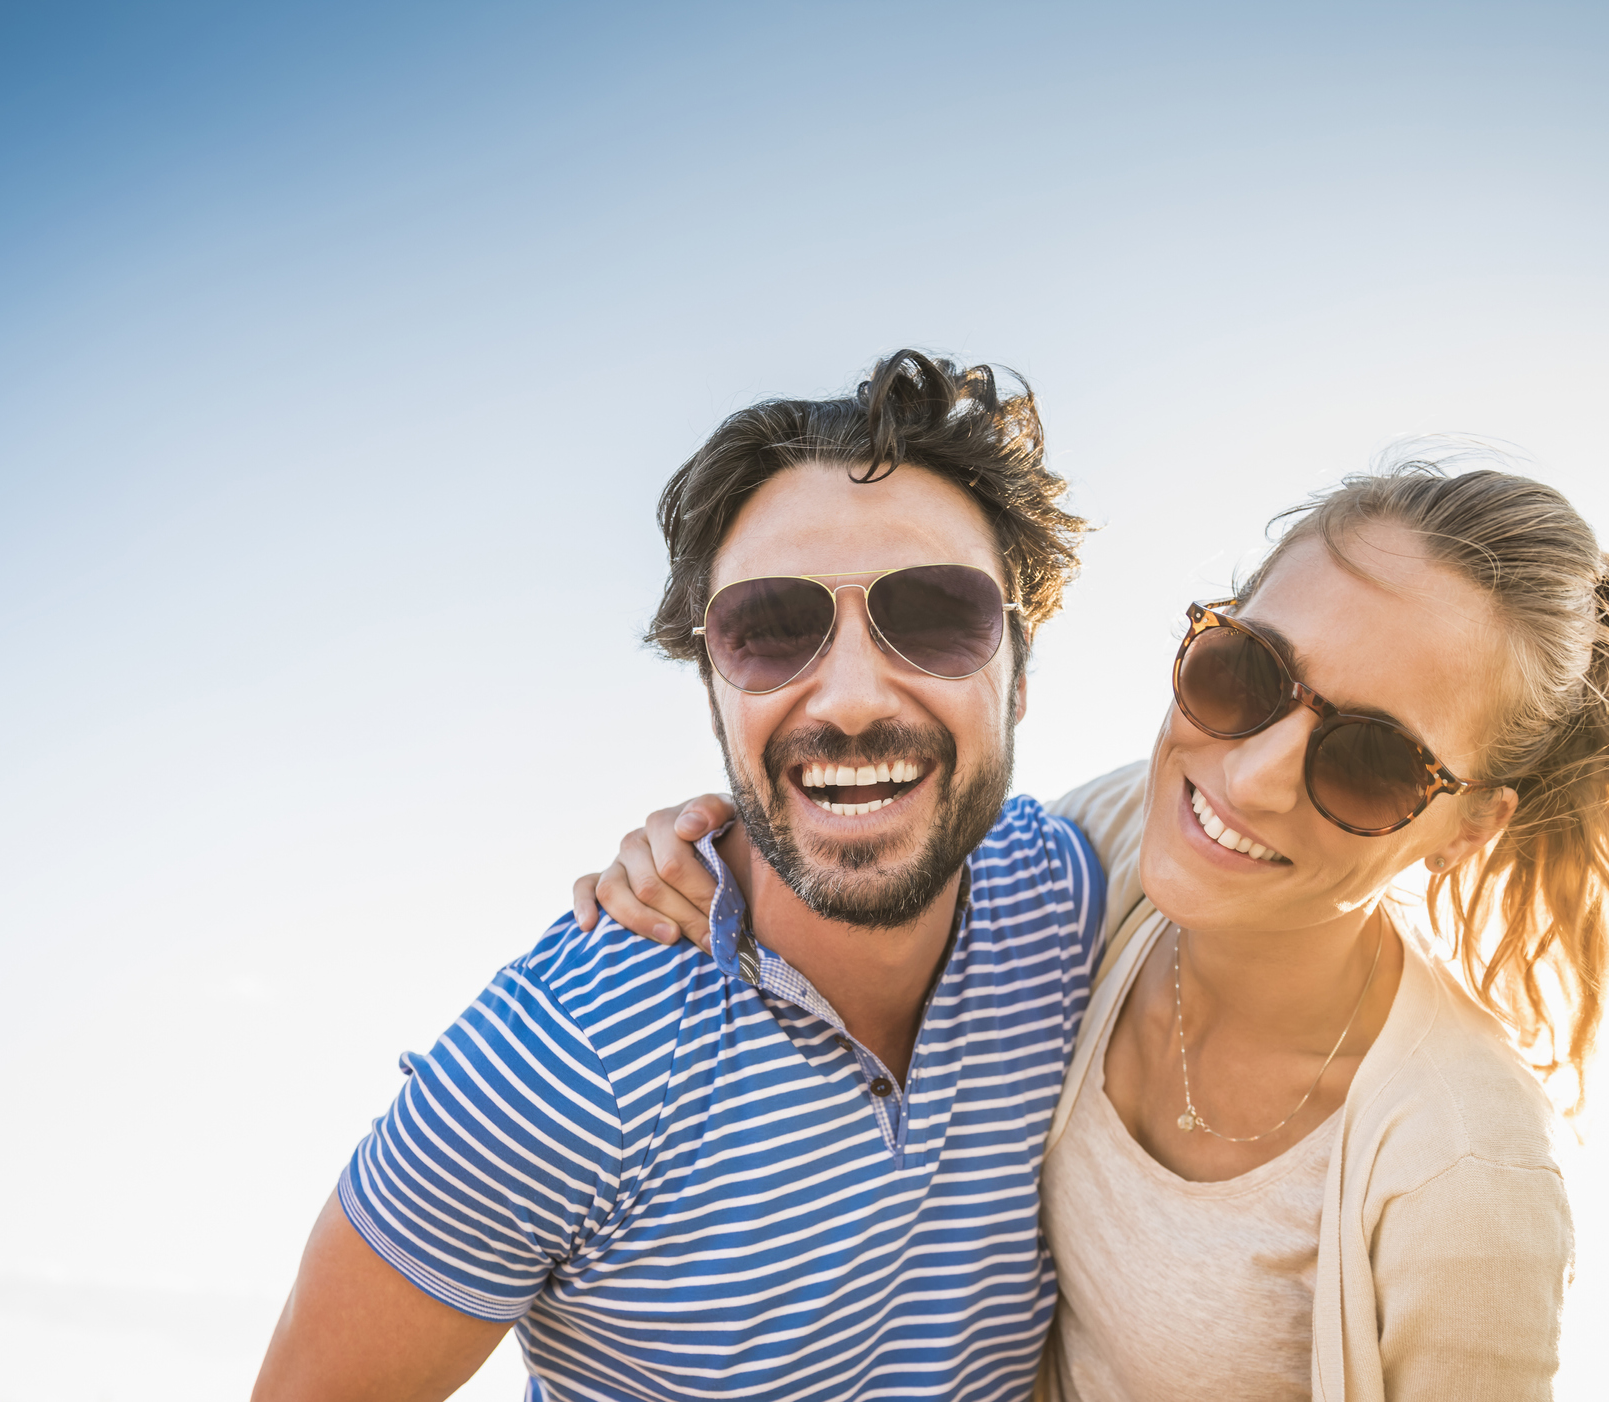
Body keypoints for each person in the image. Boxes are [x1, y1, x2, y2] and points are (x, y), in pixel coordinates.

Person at [581, 443, 1609, 1400]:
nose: (1253, 776)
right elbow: (884, 842)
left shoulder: (1468, 1174)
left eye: (1371, 762)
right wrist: (701, 848)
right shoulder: (1120, 839)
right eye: (1246, 672)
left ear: (1467, 828)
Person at [251, 350, 1108, 1402]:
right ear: (714, 689)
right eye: (773, 629)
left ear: (1020, 674)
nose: (845, 696)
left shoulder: (1075, 900)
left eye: (935, 614)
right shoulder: (558, 1062)